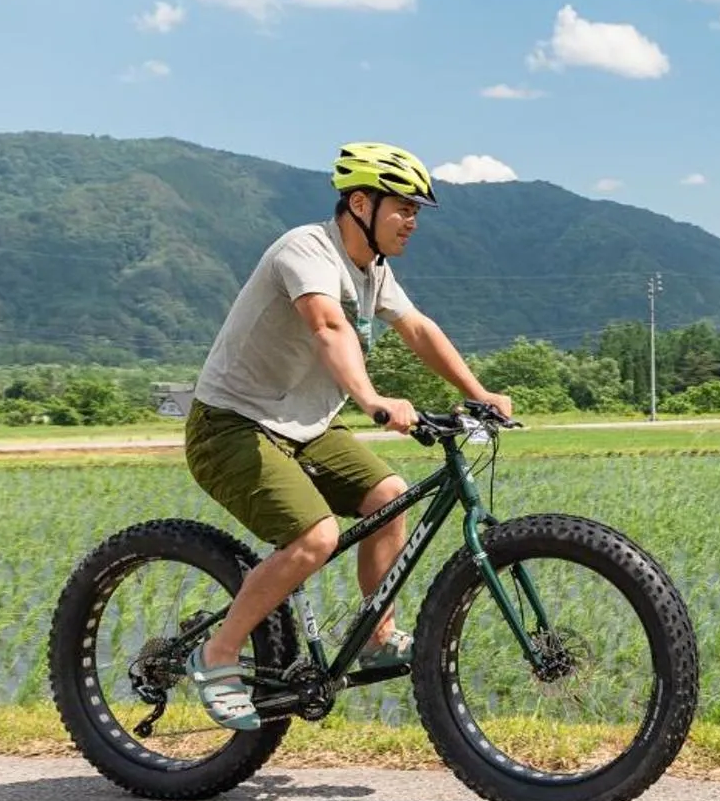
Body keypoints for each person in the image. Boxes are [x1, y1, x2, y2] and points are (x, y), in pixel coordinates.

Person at [179, 141, 512, 730]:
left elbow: (417, 328)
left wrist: (479, 392)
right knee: (316, 538)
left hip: (305, 427)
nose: (412, 221)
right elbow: (328, 325)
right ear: (360, 203)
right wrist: (372, 400)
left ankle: (376, 636)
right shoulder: (306, 250)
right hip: (231, 424)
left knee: (389, 497)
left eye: (416, 211)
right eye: (403, 207)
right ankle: (217, 655)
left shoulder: (373, 270)